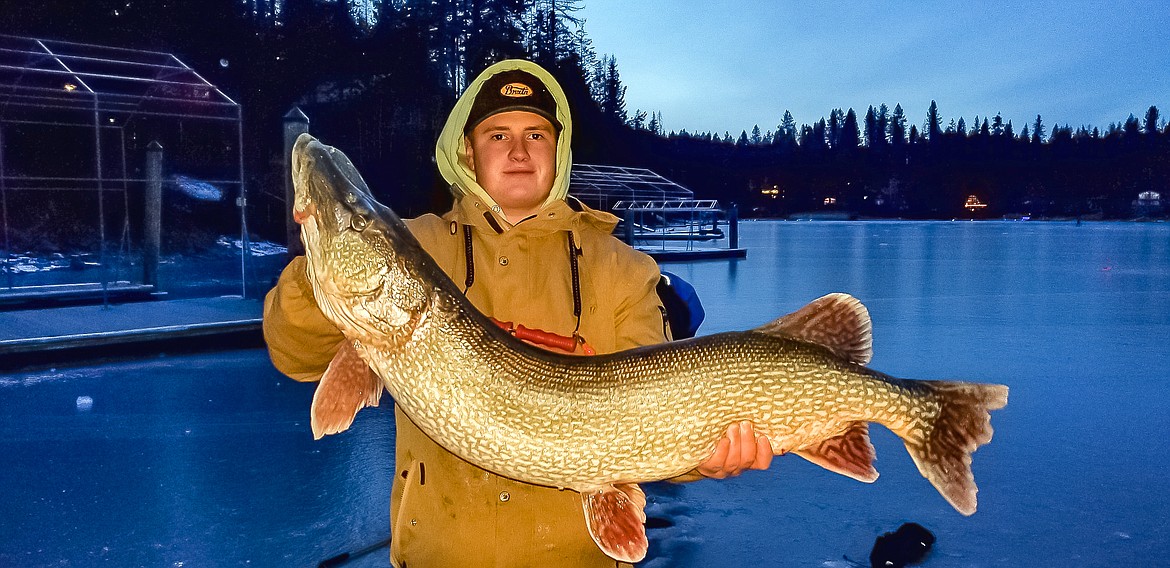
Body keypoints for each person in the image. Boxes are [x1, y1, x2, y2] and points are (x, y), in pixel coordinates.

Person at [263, 59, 772, 568]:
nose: (519, 151)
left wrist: (706, 457)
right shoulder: (420, 244)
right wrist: (319, 265)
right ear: (467, 151)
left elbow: (650, 422)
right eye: (497, 134)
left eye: (536, 134)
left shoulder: (623, 269)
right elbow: (295, 353)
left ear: (558, 149)